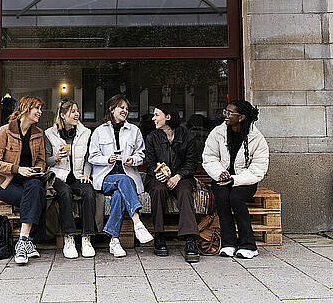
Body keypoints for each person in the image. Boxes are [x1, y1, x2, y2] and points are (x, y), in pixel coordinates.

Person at [202, 100, 269, 259]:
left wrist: (235, 179)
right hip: (221, 177)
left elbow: (259, 168)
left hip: (245, 181)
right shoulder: (218, 132)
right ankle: (229, 243)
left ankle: (248, 245)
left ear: (241, 117)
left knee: (236, 197)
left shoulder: (256, 138)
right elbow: (209, 157)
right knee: (222, 197)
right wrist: (220, 173)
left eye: (230, 113)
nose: (226, 115)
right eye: (226, 112)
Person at [89, 94, 153, 257]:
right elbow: (92, 157)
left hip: (127, 175)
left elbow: (142, 154)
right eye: (121, 108)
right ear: (111, 109)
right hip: (106, 178)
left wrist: (133, 159)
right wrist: (106, 159)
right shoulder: (99, 131)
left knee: (119, 195)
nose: (125, 111)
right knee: (123, 181)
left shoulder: (134, 131)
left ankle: (114, 241)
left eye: (126, 108)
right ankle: (137, 222)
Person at [0, 96, 47, 265]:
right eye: (36, 108)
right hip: (7, 183)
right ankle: (27, 242)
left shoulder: (38, 133)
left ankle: (22, 241)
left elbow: (41, 160)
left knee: (36, 187)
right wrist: (17, 169)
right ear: (26, 109)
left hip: (29, 180)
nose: (40, 112)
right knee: (36, 197)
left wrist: (38, 169)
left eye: (40, 109)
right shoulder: (5, 131)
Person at [145, 103, 201, 262]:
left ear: (167, 117)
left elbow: (192, 163)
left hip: (182, 177)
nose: (153, 118)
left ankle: (190, 239)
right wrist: (159, 174)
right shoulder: (152, 137)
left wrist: (177, 176)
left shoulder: (187, 136)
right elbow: (149, 163)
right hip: (158, 178)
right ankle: (159, 236)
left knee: (184, 191)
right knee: (158, 190)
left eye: (157, 115)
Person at [45, 98, 96, 259]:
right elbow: (45, 160)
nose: (77, 114)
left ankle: (87, 237)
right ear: (62, 115)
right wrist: (56, 157)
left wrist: (87, 173)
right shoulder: (49, 134)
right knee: (65, 192)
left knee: (88, 191)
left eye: (77, 111)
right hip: (58, 176)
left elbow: (88, 158)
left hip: (78, 174)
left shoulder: (85, 132)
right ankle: (69, 237)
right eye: (72, 111)